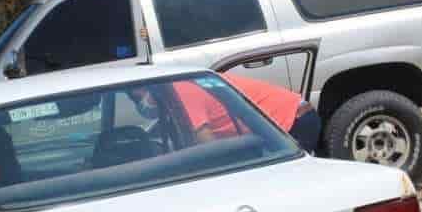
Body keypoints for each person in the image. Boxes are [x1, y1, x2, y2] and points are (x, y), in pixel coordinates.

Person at [130, 75, 322, 153]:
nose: (138, 102)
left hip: (292, 121)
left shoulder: (181, 90)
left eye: (137, 95)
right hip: (281, 123)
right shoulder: (173, 93)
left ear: (151, 87)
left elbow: (209, 146)